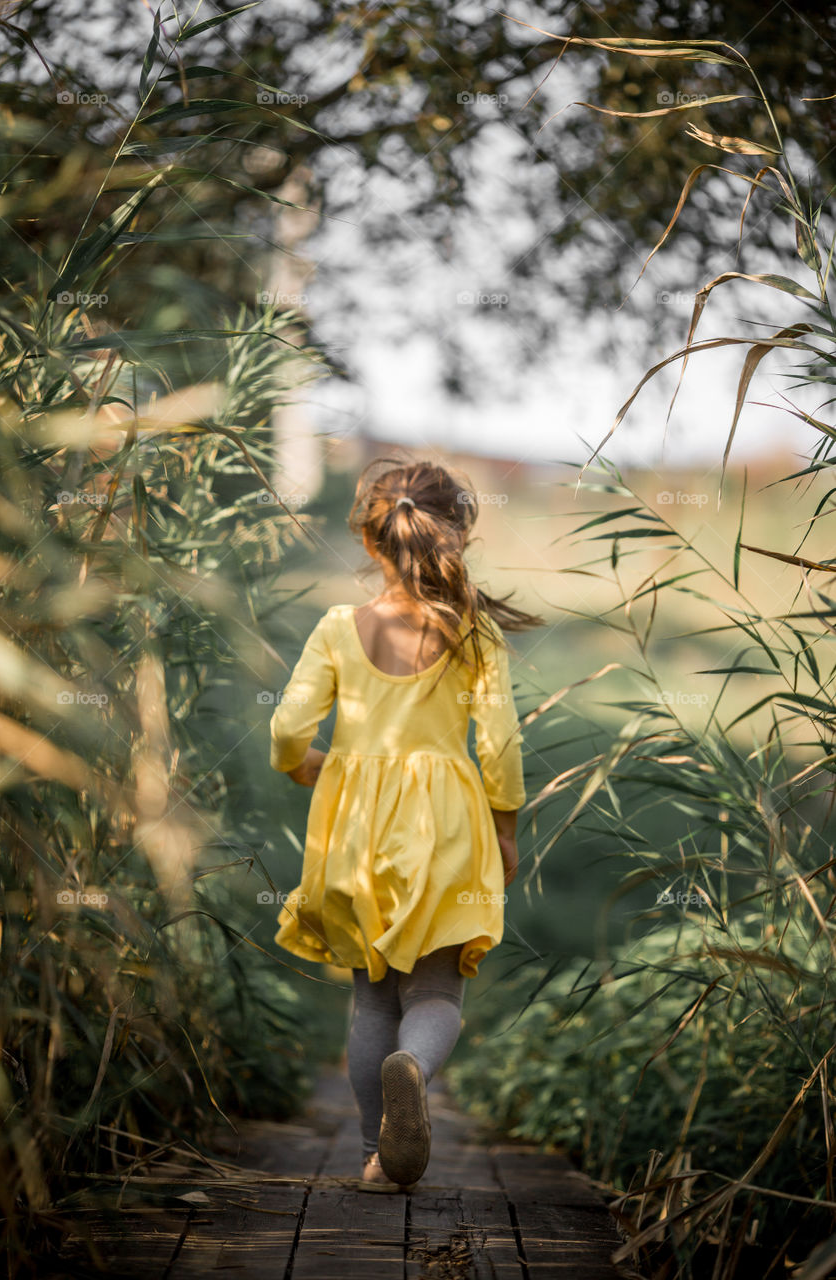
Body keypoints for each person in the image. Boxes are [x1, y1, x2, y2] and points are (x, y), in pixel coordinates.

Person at [268, 457, 543, 1192]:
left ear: (368, 540)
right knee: (435, 994)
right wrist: (506, 829)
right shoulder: (471, 632)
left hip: (351, 830)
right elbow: (503, 743)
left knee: (369, 996)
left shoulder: (337, 627)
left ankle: (373, 1154)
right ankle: (414, 1069)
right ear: (457, 536)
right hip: (447, 828)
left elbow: (289, 725)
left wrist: (303, 764)